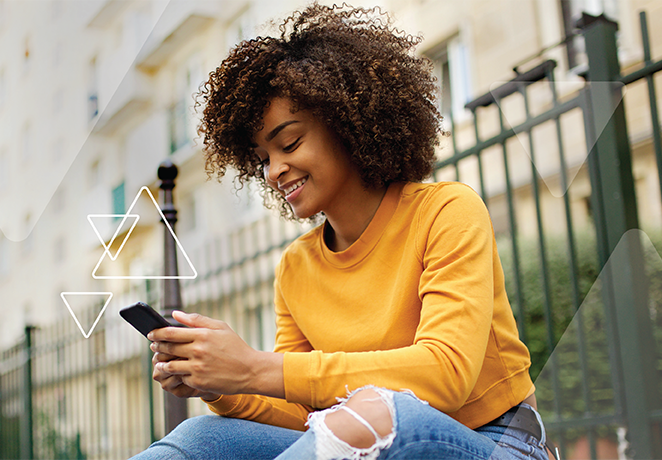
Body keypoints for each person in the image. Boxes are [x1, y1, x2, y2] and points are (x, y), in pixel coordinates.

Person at [132, 4, 552, 459]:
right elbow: (301, 413)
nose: (274, 171)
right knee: (202, 440)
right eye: (262, 159)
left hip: (497, 442)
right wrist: (218, 382)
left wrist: (254, 367)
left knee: (377, 412)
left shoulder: (447, 211)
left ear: (347, 123)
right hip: (353, 435)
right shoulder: (295, 267)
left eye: (289, 143)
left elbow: (444, 375)